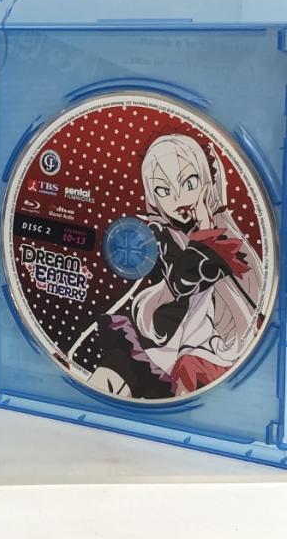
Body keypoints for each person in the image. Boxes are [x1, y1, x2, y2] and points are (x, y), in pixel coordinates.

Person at [88, 134, 263, 398]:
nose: (178, 198)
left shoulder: (227, 239)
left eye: (189, 182)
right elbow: (169, 301)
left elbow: (249, 291)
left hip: (211, 351)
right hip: (165, 339)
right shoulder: (159, 236)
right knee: (108, 377)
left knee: (186, 384)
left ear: (207, 181)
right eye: (163, 191)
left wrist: (206, 231)